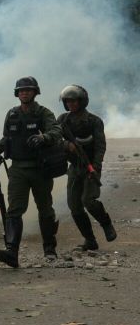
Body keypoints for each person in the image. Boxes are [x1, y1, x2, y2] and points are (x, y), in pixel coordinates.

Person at [0, 77, 63, 267]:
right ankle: (11, 252)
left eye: (28, 90)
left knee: (45, 209)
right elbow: (7, 137)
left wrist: (43, 137)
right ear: (17, 93)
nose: (24, 93)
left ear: (35, 92)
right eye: (21, 90)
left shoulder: (43, 113)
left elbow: (56, 132)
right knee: (14, 210)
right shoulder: (12, 114)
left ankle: (49, 248)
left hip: (40, 169)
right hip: (18, 169)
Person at [58, 85, 116, 250]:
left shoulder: (94, 121)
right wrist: (67, 145)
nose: (71, 104)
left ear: (82, 101)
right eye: (67, 101)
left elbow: (100, 146)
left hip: (90, 166)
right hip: (74, 168)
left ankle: (106, 224)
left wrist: (95, 167)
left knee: (88, 201)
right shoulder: (62, 120)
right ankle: (90, 240)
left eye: (74, 101)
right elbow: (53, 139)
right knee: (74, 206)